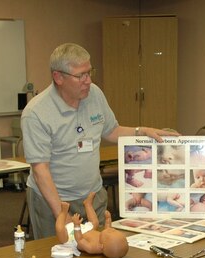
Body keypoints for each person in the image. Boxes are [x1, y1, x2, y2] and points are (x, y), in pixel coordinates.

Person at [21, 42, 178, 238]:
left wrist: (142, 131)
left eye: (89, 72)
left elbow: (111, 130)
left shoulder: (93, 93)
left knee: (100, 253)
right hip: (53, 199)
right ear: (58, 77)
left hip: (92, 195)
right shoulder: (36, 113)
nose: (88, 80)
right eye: (80, 76)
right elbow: (40, 169)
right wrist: (62, 214)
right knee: (57, 257)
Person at [55, 194, 128, 258]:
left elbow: (80, 240)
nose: (111, 230)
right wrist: (108, 219)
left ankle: (63, 212)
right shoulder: (105, 240)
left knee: (60, 231)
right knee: (95, 223)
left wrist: (77, 226)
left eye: (110, 232)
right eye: (114, 230)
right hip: (86, 230)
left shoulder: (92, 248)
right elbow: (107, 228)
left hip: (73, 237)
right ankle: (88, 204)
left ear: (101, 246)